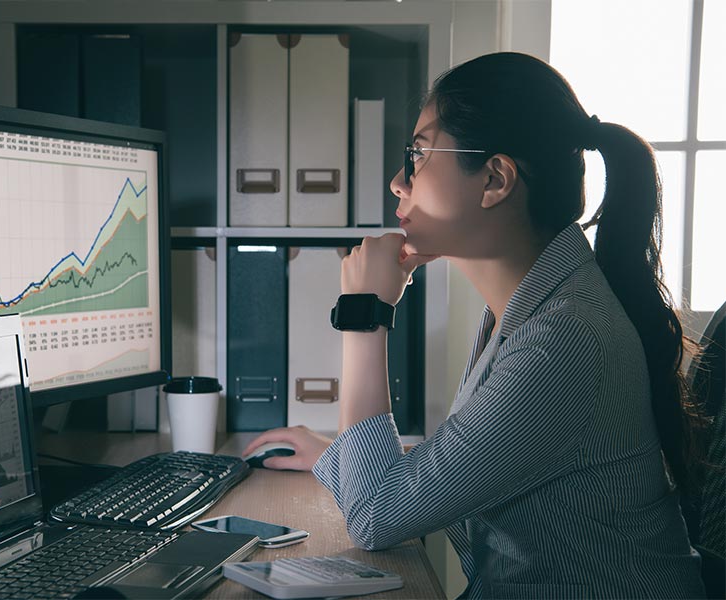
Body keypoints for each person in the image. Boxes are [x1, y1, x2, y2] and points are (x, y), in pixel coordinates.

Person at [244, 52, 708, 598]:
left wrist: (364, 314)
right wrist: (331, 456)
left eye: (418, 154)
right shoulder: (529, 309)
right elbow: (455, 472)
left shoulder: (565, 339)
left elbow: (375, 517)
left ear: (494, 179)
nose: (398, 182)